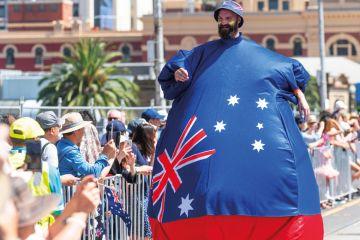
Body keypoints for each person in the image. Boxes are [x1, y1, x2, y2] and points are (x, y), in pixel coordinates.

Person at [148, 1, 323, 239]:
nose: (224, 22)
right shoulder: (202, 54)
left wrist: (299, 95)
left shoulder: (260, 56)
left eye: (228, 18)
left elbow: (288, 71)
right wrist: (178, 71)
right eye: (220, 18)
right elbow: (177, 68)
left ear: (239, 20)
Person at [57, 112, 117, 178]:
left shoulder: (61, 144)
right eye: (83, 128)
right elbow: (92, 172)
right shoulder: (71, 152)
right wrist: (105, 154)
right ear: (77, 131)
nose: (84, 131)